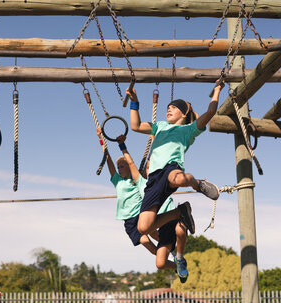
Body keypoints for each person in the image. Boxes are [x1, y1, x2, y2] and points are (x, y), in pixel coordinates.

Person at [127, 81, 225, 237]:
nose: (169, 109)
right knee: (143, 228)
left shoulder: (188, 130)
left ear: (184, 114)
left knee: (179, 179)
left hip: (170, 169)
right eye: (168, 108)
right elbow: (136, 125)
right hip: (153, 179)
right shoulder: (159, 126)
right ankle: (180, 212)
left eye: (174, 107)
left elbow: (210, 112)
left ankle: (198, 184)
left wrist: (218, 90)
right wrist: (134, 101)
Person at [96, 128, 193, 282]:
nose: (120, 169)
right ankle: (176, 263)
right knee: (152, 248)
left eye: (123, 166)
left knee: (161, 232)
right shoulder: (120, 181)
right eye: (119, 167)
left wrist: (152, 137)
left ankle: (177, 256)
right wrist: (102, 139)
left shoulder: (140, 182)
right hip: (132, 221)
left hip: (146, 216)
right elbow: (108, 160)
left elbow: (142, 164)